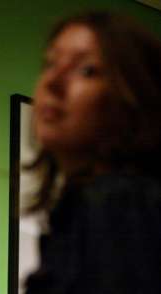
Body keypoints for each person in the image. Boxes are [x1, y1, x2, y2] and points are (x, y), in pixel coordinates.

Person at [22, 10, 161, 294]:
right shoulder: (93, 205)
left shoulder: (121, 204)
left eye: (86, 70)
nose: (53, 82)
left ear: (132, 98)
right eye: (50, 63)